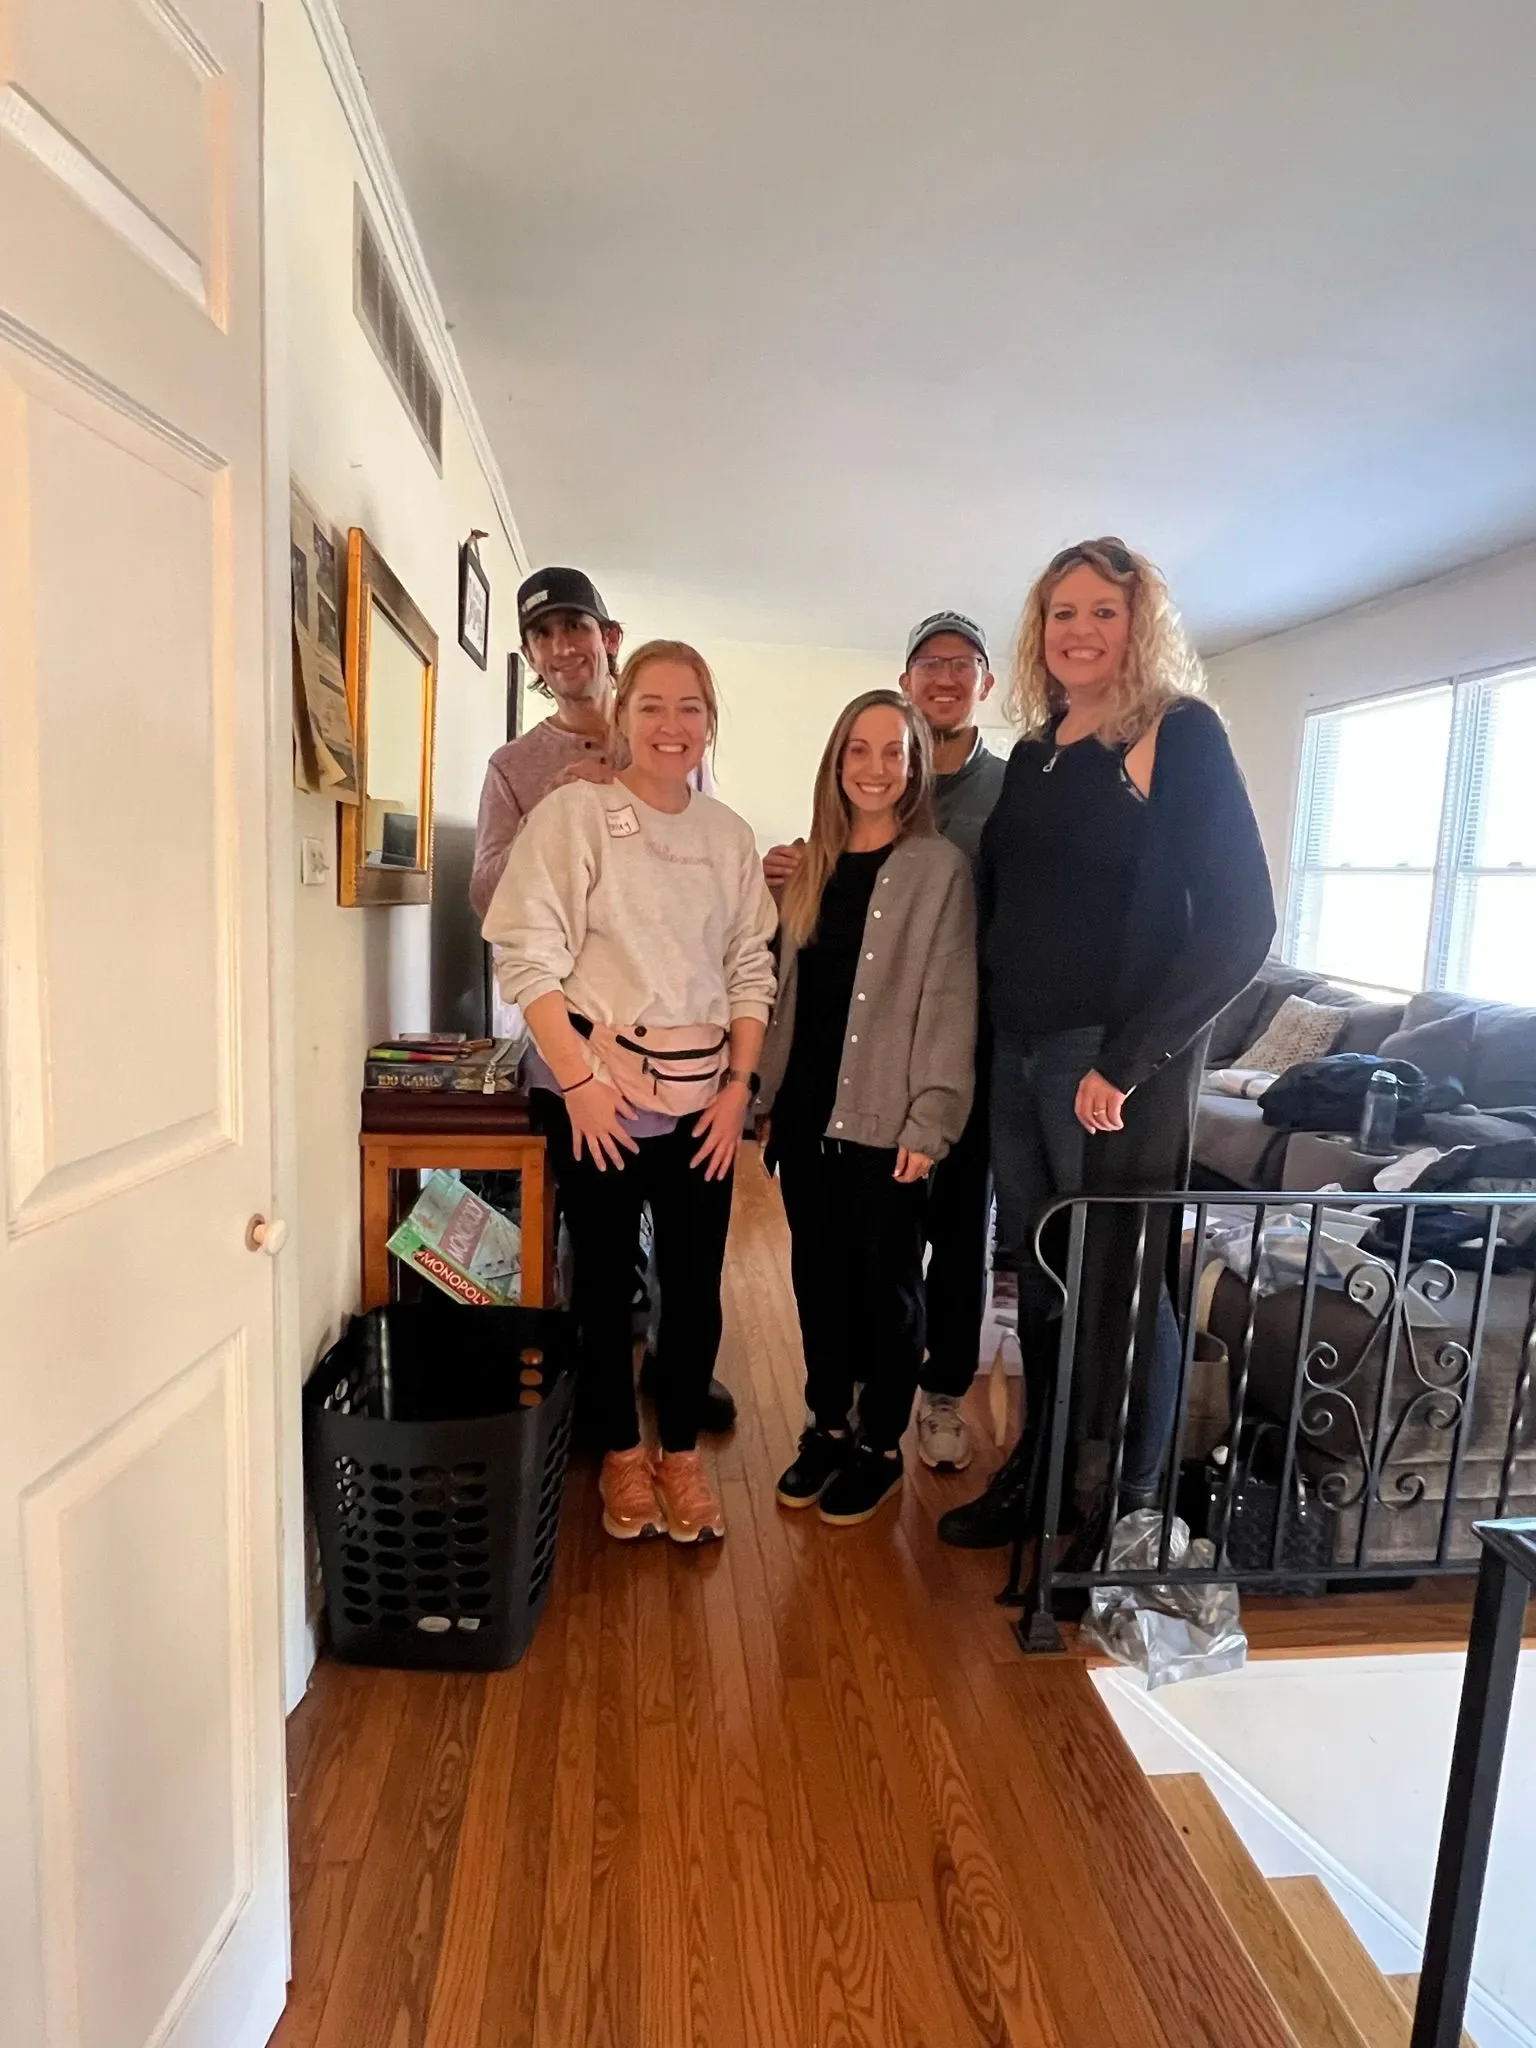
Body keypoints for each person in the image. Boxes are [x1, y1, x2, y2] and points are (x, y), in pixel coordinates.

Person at [938, 538, 1275, 1552]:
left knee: (1123, 1281)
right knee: (1042, 1274)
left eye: (1103, 611)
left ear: (1141, 626)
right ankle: (1042, 1474)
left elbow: (1240, 923)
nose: (1079, 629)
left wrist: (1125, 1062)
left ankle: (1132, 1507)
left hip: (1107, 1064)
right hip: (1019, 1049)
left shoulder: (1176, 732)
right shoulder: (1041, 746)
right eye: (1061, 611)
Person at [484, 641, 776, 1546]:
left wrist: (738, 1090)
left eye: (690, 706)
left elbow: (749, 971)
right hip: (600, 1095)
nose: (671, 725)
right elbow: (525, 956)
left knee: (694, 1290)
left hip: (703, 1104)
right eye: (651, 705)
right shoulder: (574, 815)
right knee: (603, 1286)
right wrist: (576, 1084)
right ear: (623, 716)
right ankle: (618, 1449)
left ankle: (678, 1452)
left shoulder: (727, 837)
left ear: (709, 722)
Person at [470, 567, 736, 1434]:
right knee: (598, 1237)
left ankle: (670, 1364)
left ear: (607, 636)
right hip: (580, 1042)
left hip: (685, 1050)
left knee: (686, 1248)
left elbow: (700, 896)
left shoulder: (665, 749)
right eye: (544, 636)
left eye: (576, 627)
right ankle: (601, 1404)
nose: (564, 647)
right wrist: (558, 815)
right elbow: (489, 905)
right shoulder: (516, 769)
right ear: (531, 657)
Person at [764, 612, 1006, 1473]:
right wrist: (762, 1096)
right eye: (857, 751)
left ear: (912, 770)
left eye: (891, 754)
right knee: (816, 1283)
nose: (874, 768)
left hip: (886, 1120)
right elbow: (782, 991)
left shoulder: (940, 867)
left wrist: (930, 1119)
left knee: (890, 1287)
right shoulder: (810, 865)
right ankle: (826, 1422)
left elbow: (949, 1002)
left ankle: (880, 1441)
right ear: (837, 763)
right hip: (805, 1116)